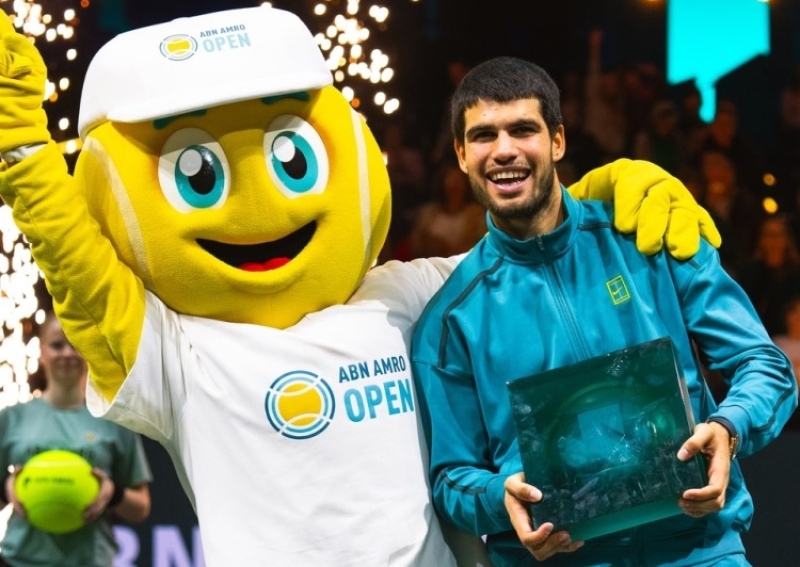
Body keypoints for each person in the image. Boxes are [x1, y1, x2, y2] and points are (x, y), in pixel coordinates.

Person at [0, 8, 722, 566]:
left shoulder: (399, 297)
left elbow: (527, 241)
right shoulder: (175, 350)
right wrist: (24, 153)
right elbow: (79, 270)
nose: (268, 206)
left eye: (290, 158)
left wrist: (610, 190)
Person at [410, 56, 797, 567]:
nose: (504, 150)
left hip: (699, 551)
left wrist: (729, 426)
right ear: (460, 154)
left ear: (557, 141)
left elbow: (765, 366)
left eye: (523, 129)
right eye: (483, 136)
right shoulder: (451, 318)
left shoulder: (650, 237)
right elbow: (452, 478)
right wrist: (499, 498)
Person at [0, 311, 152, 567]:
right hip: (19, 560)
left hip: (91, 560)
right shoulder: (11, 419)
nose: (67, 353)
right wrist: (6, 488)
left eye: (75, 344)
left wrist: (113, 493)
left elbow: (141, 506)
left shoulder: (115, 422)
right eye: (57, 345)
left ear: (88, 351)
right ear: (42, 351)